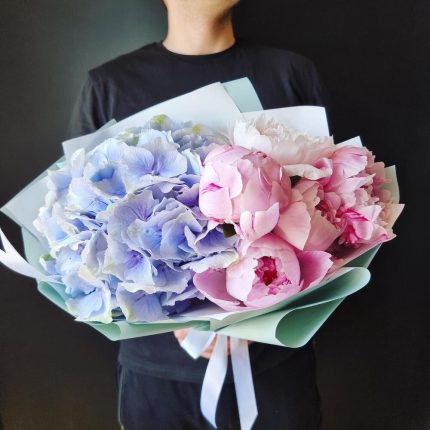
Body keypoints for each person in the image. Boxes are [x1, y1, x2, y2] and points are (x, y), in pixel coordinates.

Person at [68, 1, 328, 428]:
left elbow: (327, 211)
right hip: (158, 375)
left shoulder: (289, 74)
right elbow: (81, 232)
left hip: (274, 365)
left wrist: (256, 306)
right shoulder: (110, 86)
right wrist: (178, 310)